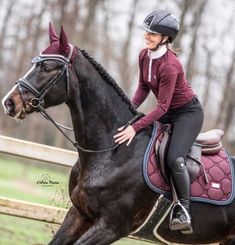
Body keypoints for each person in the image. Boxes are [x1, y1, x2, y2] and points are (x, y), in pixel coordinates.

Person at [113, 10, 204, 234]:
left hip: (187, 114)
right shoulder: (144, 55)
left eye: (152, 34)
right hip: (168, 111)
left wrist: (134, 126)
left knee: (174, 157)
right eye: (147, 32)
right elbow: (143, 87)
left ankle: (183, 210)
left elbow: (162, 107)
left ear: (165, 38)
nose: (147, 36)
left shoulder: (171, 66)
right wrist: (129, 111)